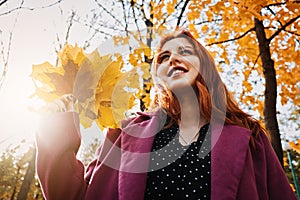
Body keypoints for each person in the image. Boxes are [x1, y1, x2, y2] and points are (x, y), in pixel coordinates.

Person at [35, 29, 297, 200]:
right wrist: (56, 134)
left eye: (185, 52)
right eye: (163, 57)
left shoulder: (251, 137)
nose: (172, 59)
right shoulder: (123, 135)